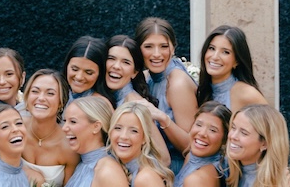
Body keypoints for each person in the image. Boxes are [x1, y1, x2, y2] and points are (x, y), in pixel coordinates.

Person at [135, 17, 198, 174]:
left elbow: (191, 146)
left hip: (177, 169)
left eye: (164, 46)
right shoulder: (147, 77)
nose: (157, 54)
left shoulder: (177, 84)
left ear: (173, 48)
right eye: (148, 46)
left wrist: (163, 119)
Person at [105, 34, 171, 165]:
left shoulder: (135, 103)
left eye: (126, 62)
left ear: (135, 72)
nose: (116, 66)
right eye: (111, 59)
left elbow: (164, 159)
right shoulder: (101, 95)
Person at [196, 25, 266, 112]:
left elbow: (273, 124)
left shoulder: (247, 93)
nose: (215, 57)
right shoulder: (201, 90)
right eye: (212, 48)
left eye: (225, 52)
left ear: (237, 61)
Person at [63, 36, 115, 106]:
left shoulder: (100, 104)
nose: (79, 77)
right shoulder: (57, 92)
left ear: (100, 73)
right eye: (74, 69)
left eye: (89, 73)